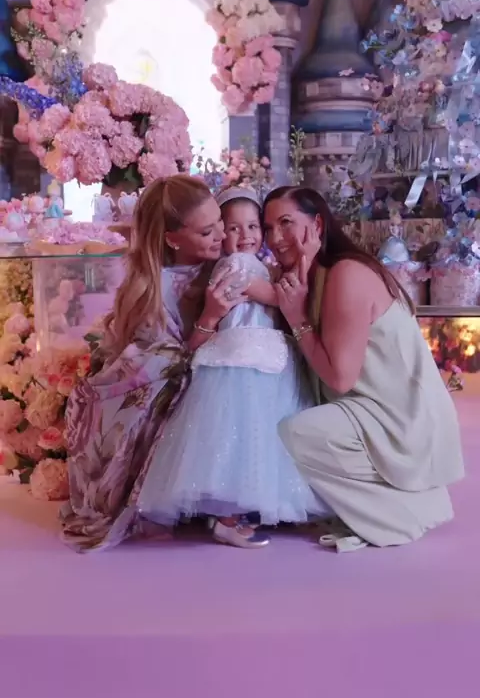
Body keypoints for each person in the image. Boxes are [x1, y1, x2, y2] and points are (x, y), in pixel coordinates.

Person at [262, 185, 464, 552]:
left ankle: (403, 514)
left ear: (317, 225)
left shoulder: (346, 274)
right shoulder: (310, 276)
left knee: (296, 432)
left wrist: (297, 318)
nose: (275, 238)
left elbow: (340, 378)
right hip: (369, 408)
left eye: (286, 223)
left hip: (401, 416)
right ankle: (398, 498)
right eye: (268, 228)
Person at [136, 186, 332, 548]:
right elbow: (281, 298)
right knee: (238, 438)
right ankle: (227, 517)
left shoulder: (258, 266)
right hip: (241, 356)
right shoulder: (236, 266)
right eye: (233, 228)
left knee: (255, 438)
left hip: (261, 355)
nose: (246, 236)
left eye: (254, 227)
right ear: (221, 233)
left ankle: (245, 510)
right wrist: (306, 259)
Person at [61, 175, 248, 551]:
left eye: (220, 223)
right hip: (165, 386)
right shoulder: (153, 288)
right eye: (207, 232)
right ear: (172, 239)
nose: (221, 236)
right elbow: (171, 366)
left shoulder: (225, 263)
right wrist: (209, 318)